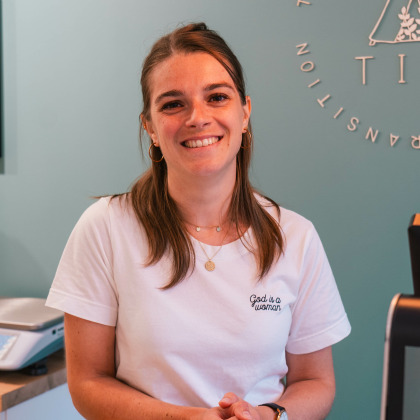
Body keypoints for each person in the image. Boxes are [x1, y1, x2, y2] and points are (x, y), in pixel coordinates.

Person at [46, 22, 351, 420]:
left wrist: (268, 416)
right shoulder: (105, 228)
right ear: (150, 127)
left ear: (244, 113)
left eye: (217, 97)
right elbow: (87, 383)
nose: (198, 117)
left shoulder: (295, 236)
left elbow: (315, 382)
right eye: (173, 104)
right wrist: (188, 419)